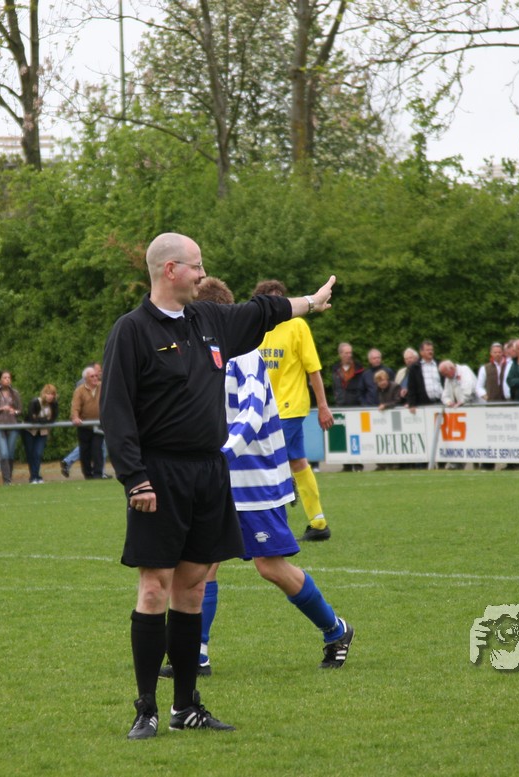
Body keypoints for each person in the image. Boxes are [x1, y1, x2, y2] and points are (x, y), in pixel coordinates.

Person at [100, 231, 335, 740]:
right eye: (197, 266)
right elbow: (115, 412)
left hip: (210, 474)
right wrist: (135, 479)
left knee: (191, 589)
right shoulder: (132, 331)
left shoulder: (208, 321)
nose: (203, 275)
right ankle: (146, 708)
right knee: (154, 588)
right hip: (158, 477)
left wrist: (310, 303)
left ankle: (186, 706)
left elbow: (263, 310)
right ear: (170, 270)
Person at [159, 277, 352, 679]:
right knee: (203, 565)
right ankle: (195, 655)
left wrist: (222, 453)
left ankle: (336, 630)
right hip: (220, 478)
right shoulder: (200, 351)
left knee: (270, 566)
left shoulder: (245, 354)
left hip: (257, 480)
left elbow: (249, 414)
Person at [253, 279, 335, 542]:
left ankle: (274, 528)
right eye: (272, 298)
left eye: (281, 297)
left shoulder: (297, 325)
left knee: (269, 463)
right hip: (265, 410)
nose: (278, 303)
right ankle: (318, 523)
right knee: (297, 461)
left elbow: (313, 369)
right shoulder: (256, 329)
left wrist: (323, 406)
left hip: (290, 407)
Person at [0, 370, 22, 484]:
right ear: (0, 380)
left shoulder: (15, 393)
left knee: (10, 453)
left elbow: (20, 410)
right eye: (5, 378)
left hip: (12, 425)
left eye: (9, 378)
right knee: (4, 453)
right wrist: (1, 409)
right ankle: (6, 480)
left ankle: (9, 478)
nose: (7, 380)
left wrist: (14, 411)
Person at [71, 365, 106, 479]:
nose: (95, 378)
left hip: (99, 425)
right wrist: (75, 417)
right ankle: (87, 474)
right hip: (84, 426)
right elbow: (75, 406)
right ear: (86, 378)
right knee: (85, 451)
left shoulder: (103, 387)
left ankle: (98, 474)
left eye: (96, 376)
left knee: (97, 449)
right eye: (92, 376)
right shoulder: (79, 390)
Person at [21, 384, 58, 484]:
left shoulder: (54, 404)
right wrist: (44, 420)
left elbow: (52, 419)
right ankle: (34, 477)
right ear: (44, 394)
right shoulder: (35, 402)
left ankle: (36, 476)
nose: (50, 396)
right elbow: (32, 418)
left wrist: (40, 420)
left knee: (38, 453)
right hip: (29, 431)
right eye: (48, 393)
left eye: (52, 394)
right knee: (30, 454)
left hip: (42, 432)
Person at [405, 340, 443, 411]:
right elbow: (411, 387)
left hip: (441, 402)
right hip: (424, 404)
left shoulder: (439, 364)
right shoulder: (415, 367)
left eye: (432, 350)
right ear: (421, 352)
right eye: (427, 350)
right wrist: (411, 404)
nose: (430, 352)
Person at [330, 342, 365, 407]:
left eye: (350, 353)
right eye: (346, 353)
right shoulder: (335, 369)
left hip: (356, 405)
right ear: (340, 354)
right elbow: (335, 387)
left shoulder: (359, 368)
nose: (349, 355)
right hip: (340, 405)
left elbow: (363, 387)